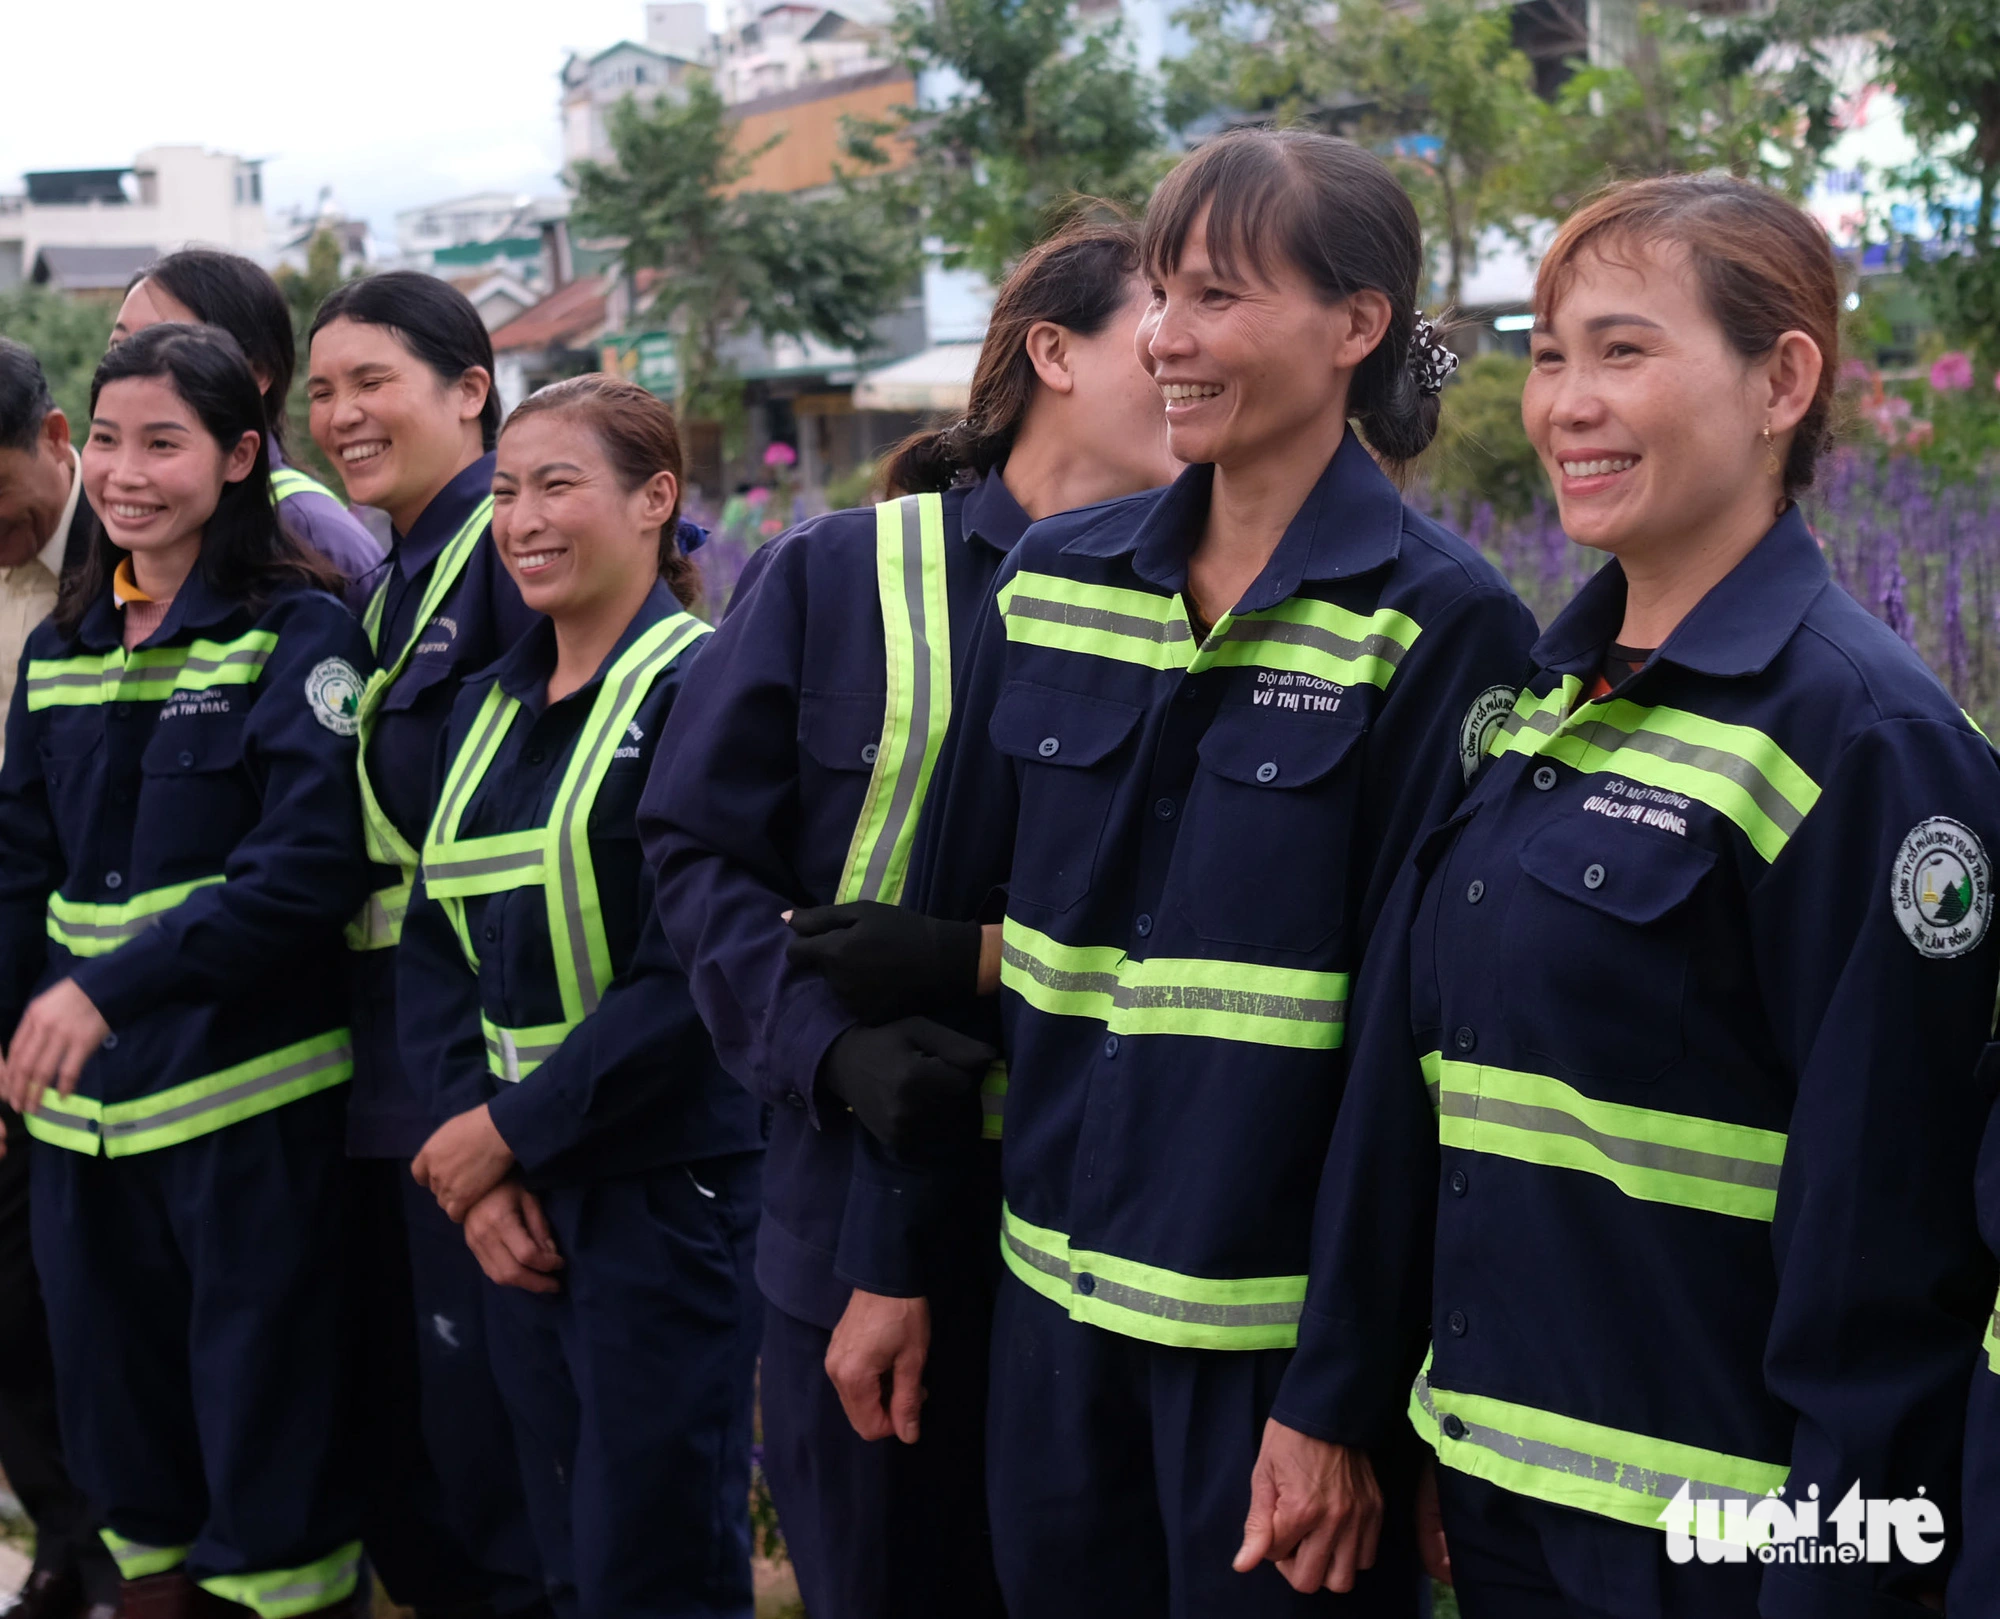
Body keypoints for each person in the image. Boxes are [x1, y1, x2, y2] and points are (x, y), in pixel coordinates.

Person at [830, 129, 1537, 1616]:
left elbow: (1416, 1054)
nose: (1165, 337)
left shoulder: (1442, 625)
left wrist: (1339, 1395)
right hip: (1045, 1319)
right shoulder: (1059, 577)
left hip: (1264, 1355)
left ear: (1355, 326)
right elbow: (947, 950)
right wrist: (897, 1254)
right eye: (1160, 293)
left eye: (1215, 296)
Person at [1303, 173, 2000, 1616]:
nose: (1565, 402)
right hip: (1503, 1507)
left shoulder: (1867, 743)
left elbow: (1891, 1243)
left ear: (1781, 381)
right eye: (1550, 353)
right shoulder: (1544, 703)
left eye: (1624, 350)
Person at [639, 217, 1180, 1619]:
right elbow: (698, 851)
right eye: (1159, 321)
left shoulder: (1205, 601)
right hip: (847, 1237)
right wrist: (825, 1045)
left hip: (1103, 1247)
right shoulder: (837, 574)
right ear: (1052, 353)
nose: (1192, 353)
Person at [0, 323, 374, 1618]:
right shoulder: (60, 650)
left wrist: (106, 987)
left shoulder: (296, 635)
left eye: (164, 442)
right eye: (107, 438)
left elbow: (305, 873)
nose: (125, 470)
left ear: (238, 457)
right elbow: (17, 874)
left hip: (242, 1124)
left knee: (266, 1464)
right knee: (124, 1470)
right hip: (83, 1140)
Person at [399, 375, 767, 1617]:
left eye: (559, 484)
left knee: (651, 1556)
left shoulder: (702, 692)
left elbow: (694, 975)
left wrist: (505, 1132)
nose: (523, 518)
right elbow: (431, 944)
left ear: (656, 498)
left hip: (661, 1191)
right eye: (505, 491)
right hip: (515, 1194)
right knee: (558, 1548)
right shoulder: (486, 707)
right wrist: (481, 1157)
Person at [305, 272, 547, 1618]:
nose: (341, 413)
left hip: (482, 1068)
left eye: (372, 381)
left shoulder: (512, 553)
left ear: (470, 388)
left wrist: (497, 1110)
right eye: (324, 391)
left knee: (498, 1467)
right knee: (427, 1449)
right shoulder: (400, 574)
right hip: (400, 1057)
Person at [0, 343, 121, 1619]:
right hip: (11, 981)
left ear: (51, 435)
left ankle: (122, 1556)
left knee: (93, 1301)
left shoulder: (135, 539)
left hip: (112, 992)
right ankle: (71, 1544)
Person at [112, 249, 383, 606]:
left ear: (255, 374)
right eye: (119, 347)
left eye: (164, 347)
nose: (131, 372)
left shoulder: (310, 533)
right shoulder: (123, 512)